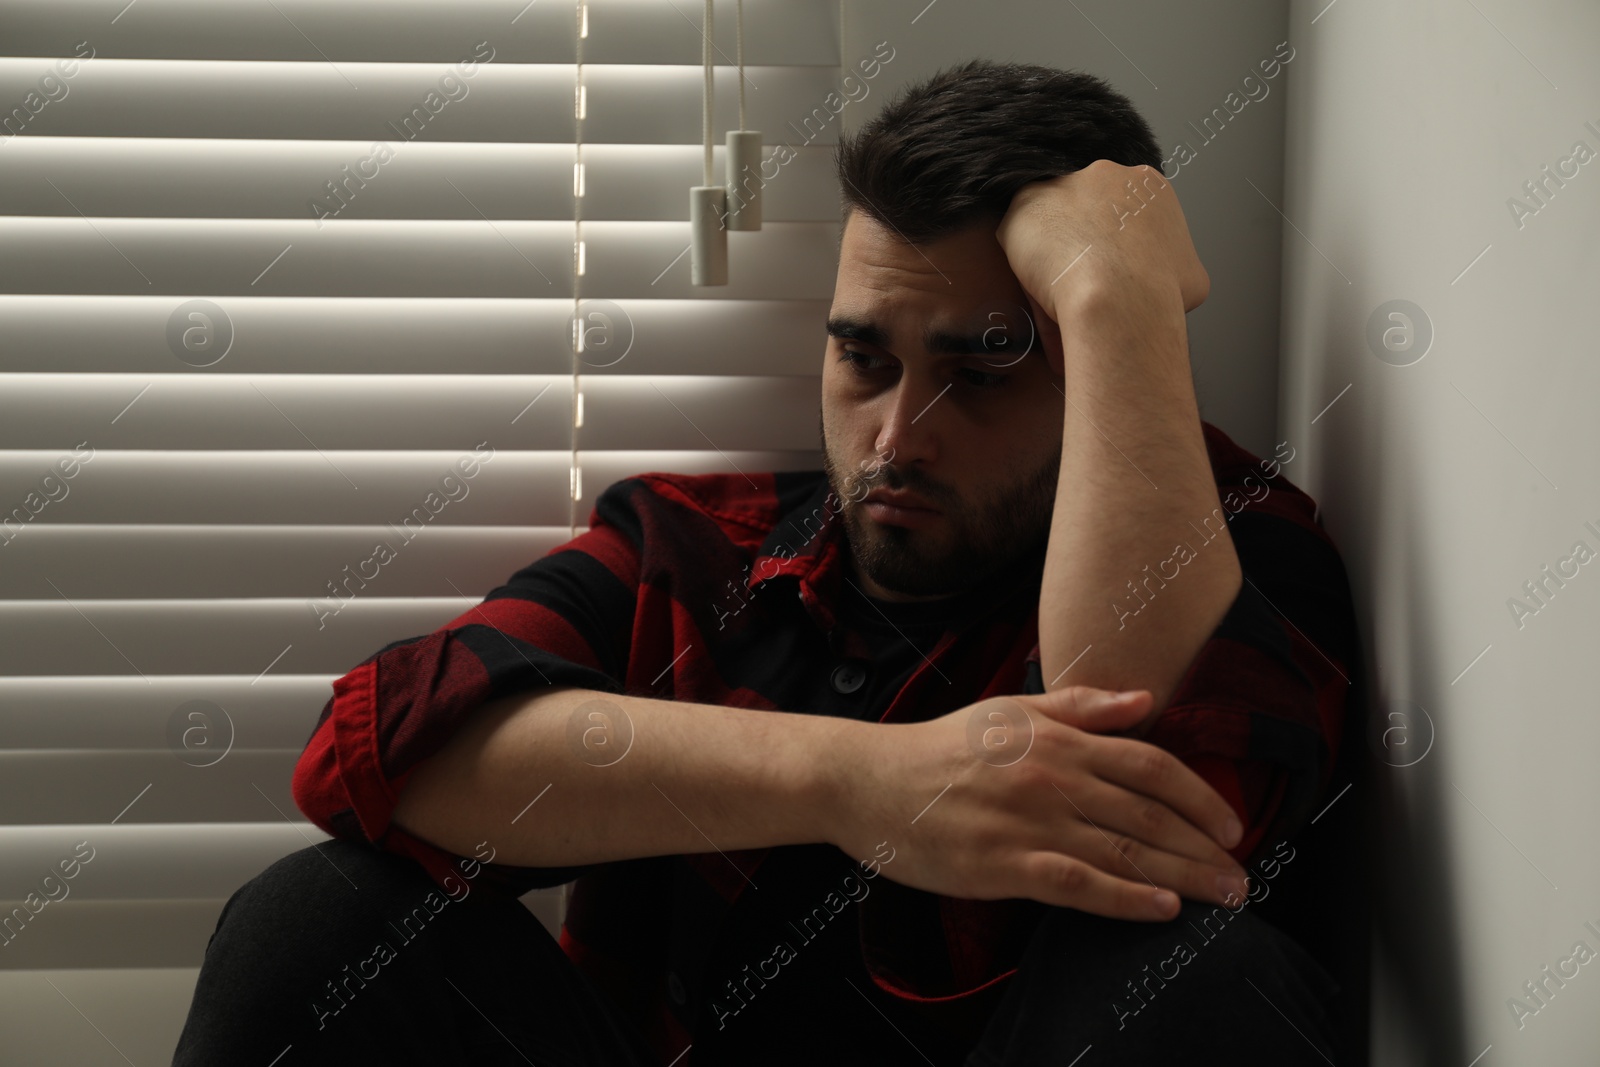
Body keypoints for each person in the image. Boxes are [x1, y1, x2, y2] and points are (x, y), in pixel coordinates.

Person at [174, 59, 1361, 1066]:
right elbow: (374, 753)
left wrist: (1114, 297)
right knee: (320, 918)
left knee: (1195, 970)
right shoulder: (699, 547)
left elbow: (1161, 800)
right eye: (862, 357)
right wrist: (862, 781)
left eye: (983, 367)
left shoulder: (1243, 550)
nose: (899, 436)